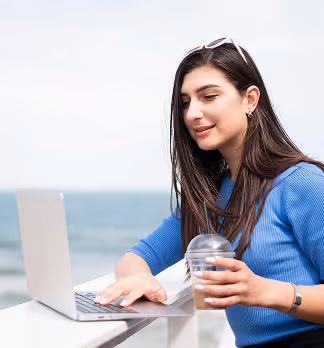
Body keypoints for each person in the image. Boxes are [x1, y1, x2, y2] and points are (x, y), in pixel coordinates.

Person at [95, 38, 324, 347]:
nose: (192, 113)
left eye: (209, 96)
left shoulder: (302, 182)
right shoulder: (207, 197)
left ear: (250, 99)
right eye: (186, 102)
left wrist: (264, 291)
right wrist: (138, 278)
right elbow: (137, 257)